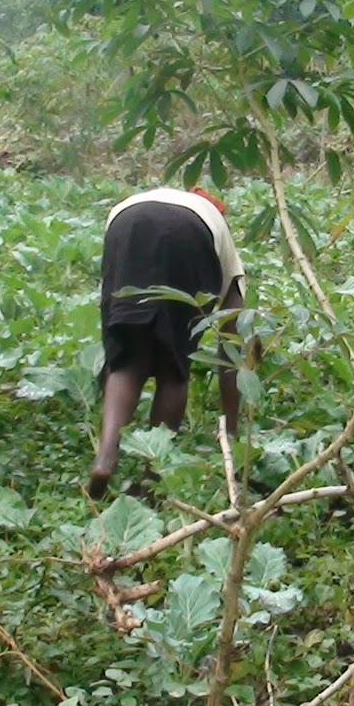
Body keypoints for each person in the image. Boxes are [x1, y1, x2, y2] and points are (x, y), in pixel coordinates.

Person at [87, 187, 246, 498]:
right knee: (173, 367)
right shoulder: (220, 235)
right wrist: (232, 431)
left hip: (125, 222)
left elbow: (108, 306)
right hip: (190, 234)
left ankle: (106, 454)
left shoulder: (143, 200)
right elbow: (232, 343)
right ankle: (152, 479)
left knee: (125, 360)